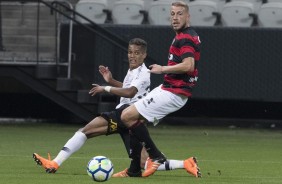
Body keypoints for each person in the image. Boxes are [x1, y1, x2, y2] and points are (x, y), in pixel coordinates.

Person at [32, 38, 197, 176]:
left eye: (137, 53)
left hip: (125, 114)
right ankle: (186, 163)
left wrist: (106, 88)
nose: (132, 56)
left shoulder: (144, 73)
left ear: (144, 55)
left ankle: (54, 163)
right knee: (144, 163)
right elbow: (128, 86)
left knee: (84, 131)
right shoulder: (133, 71)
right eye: (130, 52)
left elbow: (130, 92)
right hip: (131, 119)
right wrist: (111, 81)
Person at [113, 1, 201, 178]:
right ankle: (134, 169)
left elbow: (188, 65)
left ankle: (156, 157)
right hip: (168, 88)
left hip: (174, 92)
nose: (175, 18)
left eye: (179, 14)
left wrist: (163, 69)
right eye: (172, 14)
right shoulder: (186, 35)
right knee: (135, 121)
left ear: (188, 16)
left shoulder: (185, 37)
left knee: (126, 116)